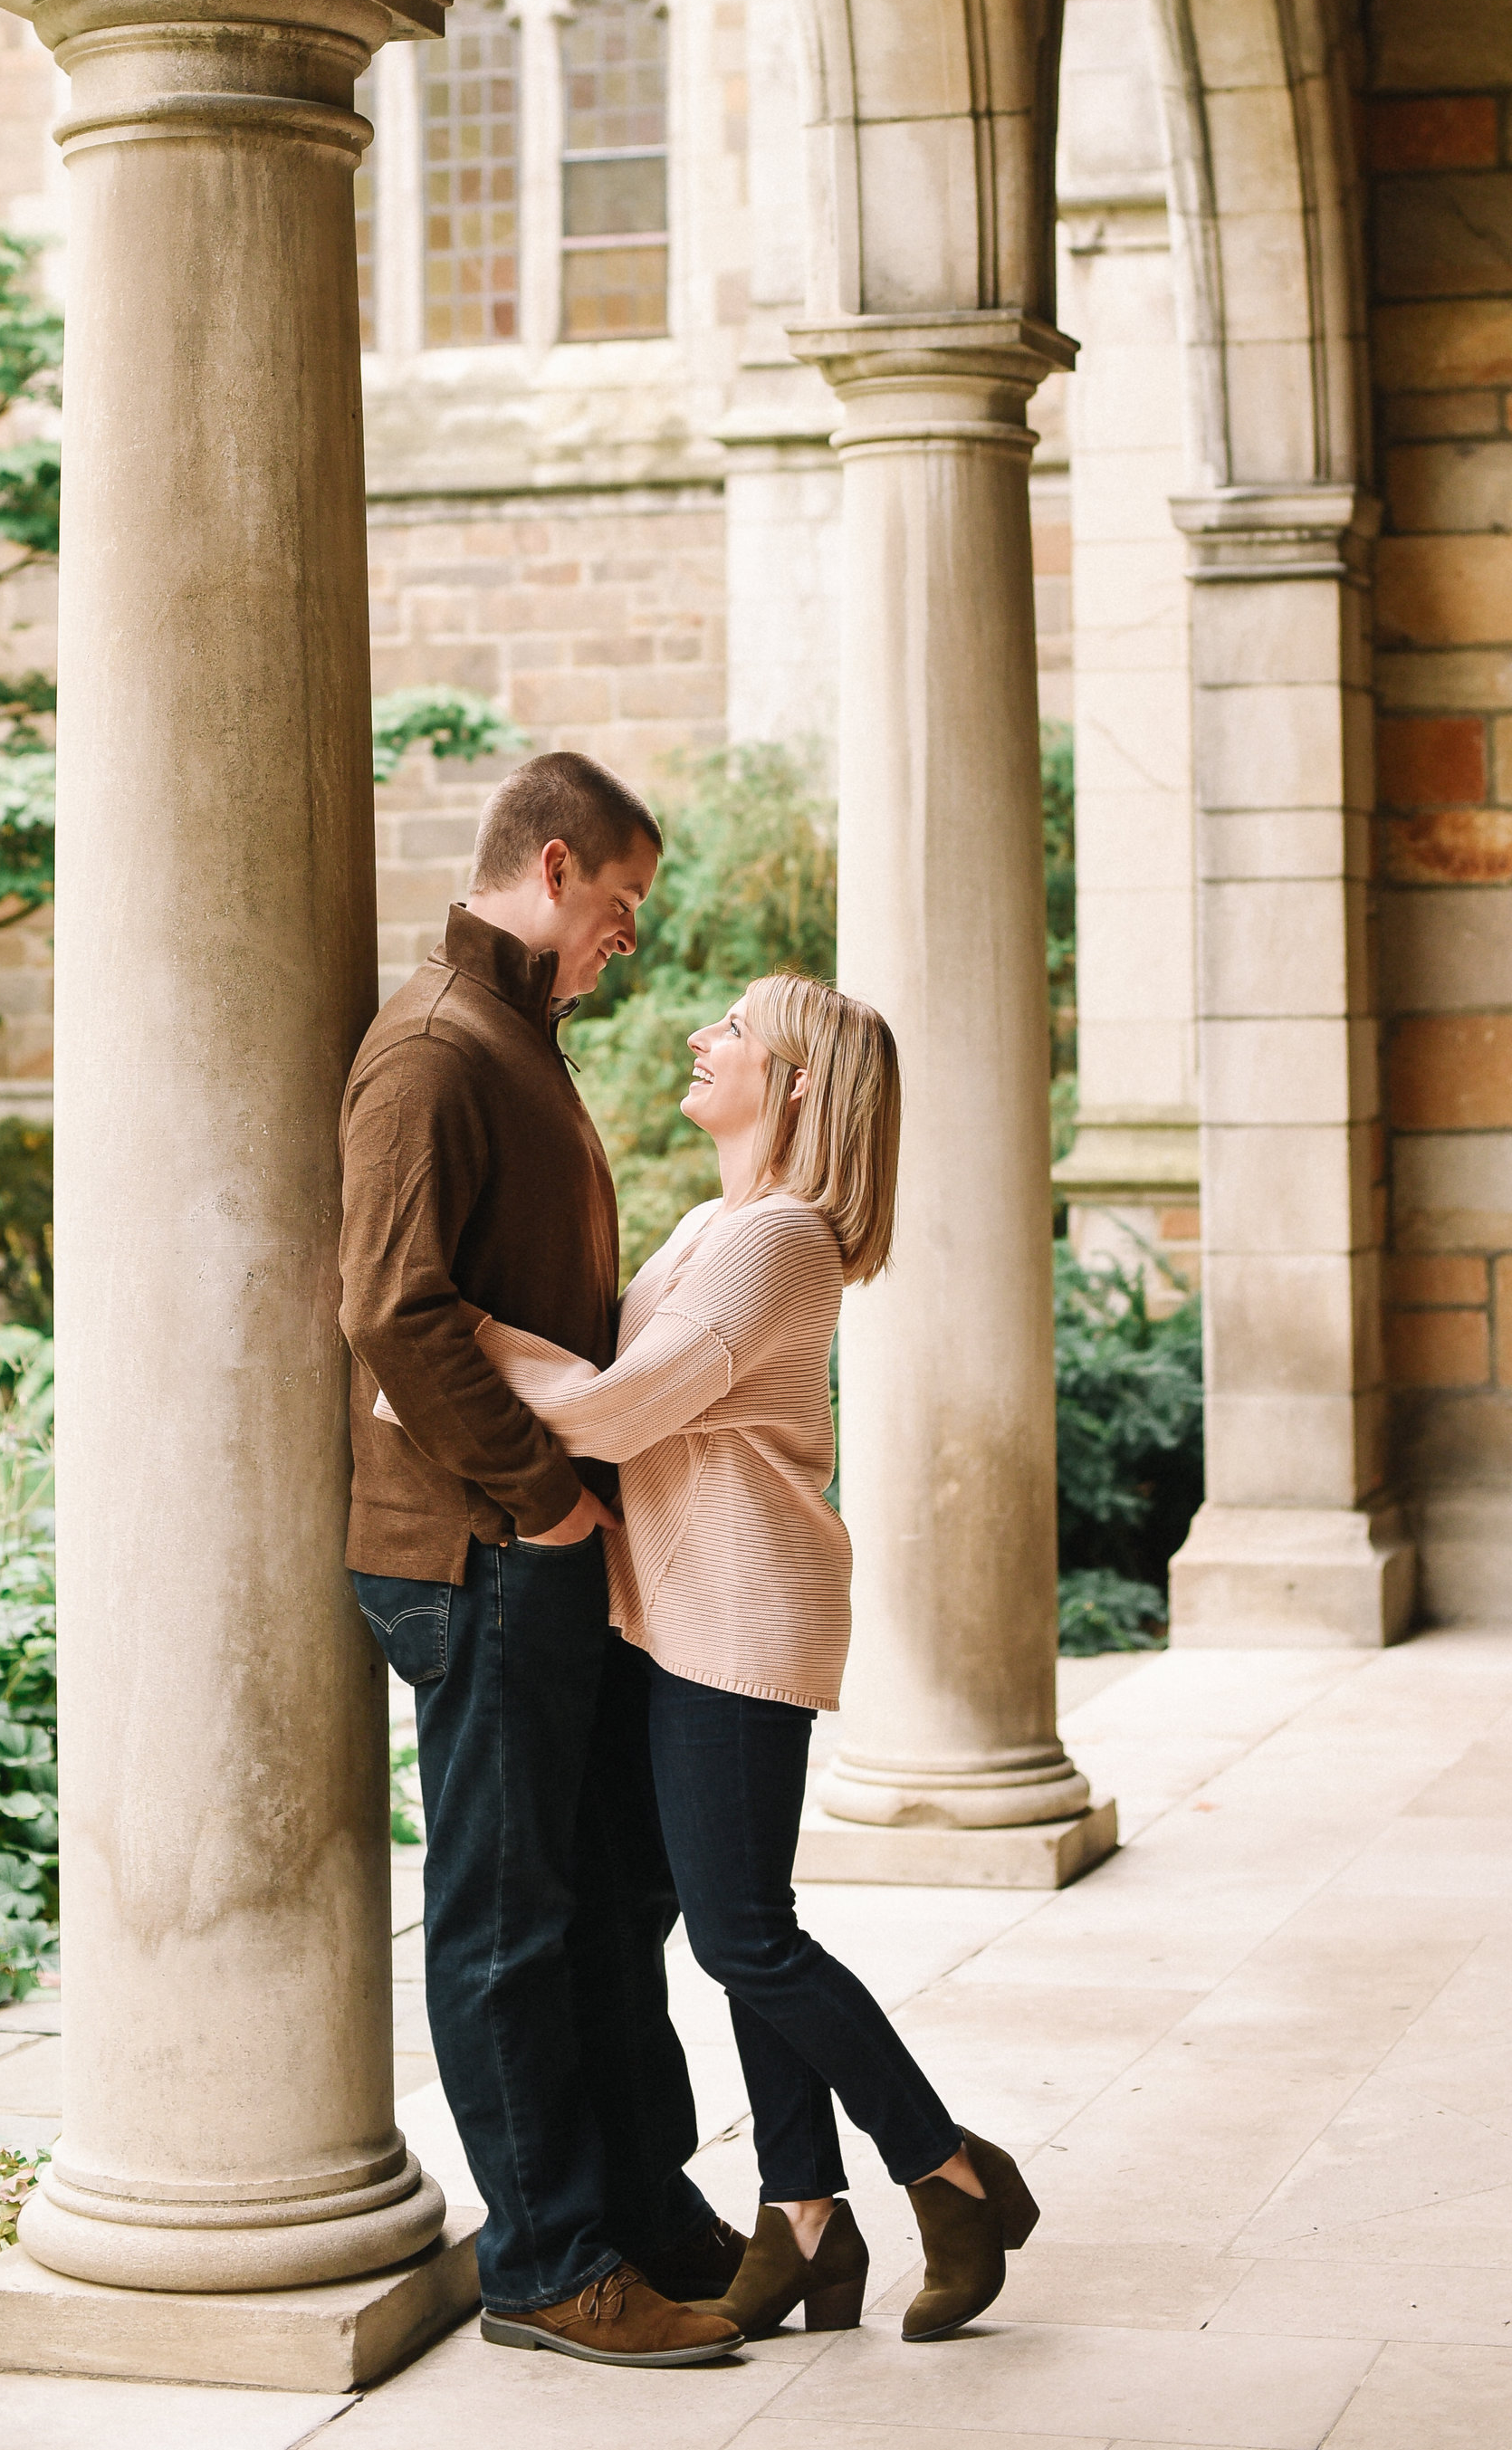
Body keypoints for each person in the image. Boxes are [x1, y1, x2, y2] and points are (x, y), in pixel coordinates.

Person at [475, 971, 1041, 2343]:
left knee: (745, 1933)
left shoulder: (783, 1237)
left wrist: (440, 1329)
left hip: (741, 1607)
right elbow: (609, 1375)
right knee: (738, 1933)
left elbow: (612, 1409)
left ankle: (953, 2171)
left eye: (731, 1027)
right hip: (676, 1612)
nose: (699, 1034)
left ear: (792, 1078)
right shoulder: (712, 1225)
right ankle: (805, 2216)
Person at [338, 749, 743, 2369]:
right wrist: (543, 1498)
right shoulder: (433, 1047)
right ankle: (548, 2262)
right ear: (557, 865)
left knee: (612, 1896)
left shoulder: (514, 1035)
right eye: (623, 909)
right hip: (477, 1544)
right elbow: (389, 1303)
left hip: (538, 1540)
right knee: (508, 1913)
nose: (624, 945)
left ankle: (639, 2206)